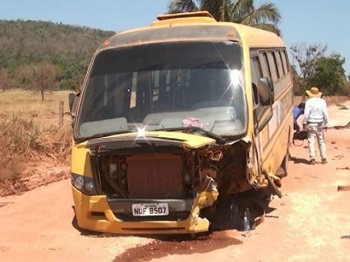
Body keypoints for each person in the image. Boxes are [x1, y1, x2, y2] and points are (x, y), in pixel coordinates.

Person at [302, 87, 329, 165]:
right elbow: (325, 114)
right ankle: (324, 158)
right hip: (320, 123)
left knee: (311, 141)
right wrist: (326, 123)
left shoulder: (308, 102)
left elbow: (306, 114)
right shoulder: (322, 102)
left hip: (311, 123)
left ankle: (312, 158)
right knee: (321, 141)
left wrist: (304, 123)